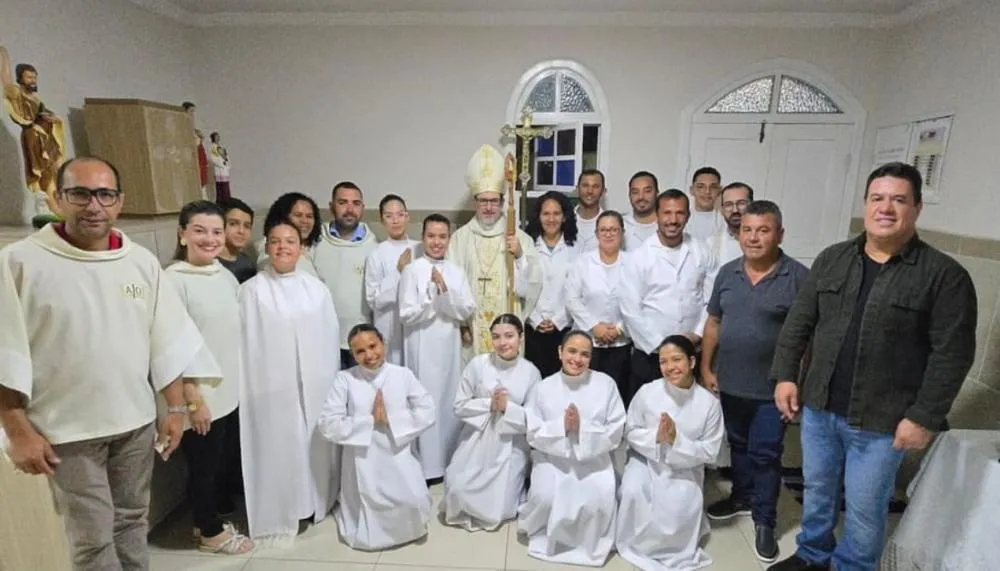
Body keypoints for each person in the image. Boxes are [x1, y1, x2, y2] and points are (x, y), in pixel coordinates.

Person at [768, 162, 978, 571]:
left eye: (899, 199)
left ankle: (853, 566)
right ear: (865, 204)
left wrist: (924, 416)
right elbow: (799, 323)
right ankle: (813, 555)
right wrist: (785, 376)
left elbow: (951, 355)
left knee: (865, 507)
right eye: (877, 198)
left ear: (917, 207)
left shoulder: (944, 276)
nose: (886, 208)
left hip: (884, 419)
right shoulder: (833, 259)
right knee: (818, 490)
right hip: (820, 406)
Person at [0, 157, 204, 570]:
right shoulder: (19, 262)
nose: (93, 205)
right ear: (57, 199)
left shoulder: (139, 261)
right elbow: (6, 350)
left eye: (104, 194)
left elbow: (166, 339)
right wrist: (17, 429)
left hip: (133, 421)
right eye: (79, 193)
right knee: (92, 538)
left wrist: (176, 408)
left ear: (119, 202)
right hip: (66, 429)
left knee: (132, 523)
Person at [700, 201, 808, 563]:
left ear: (779, 234)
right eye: (747, 230)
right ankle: (741, 496)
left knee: (766, 453)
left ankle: (765, 519)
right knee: (738, 445)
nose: (754, 237)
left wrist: (794, 380)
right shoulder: (728, 273)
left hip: (771, 389)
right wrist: (706, 367)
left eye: (763, 230)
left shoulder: (797, 277)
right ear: (739, 233)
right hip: (730, 382)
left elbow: (808, 336)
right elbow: (713, 323)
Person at [239, 218, 341, 543]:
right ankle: (283, 510)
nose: (283, 247)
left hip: (313, 387)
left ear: (301, 248)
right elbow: (245, 347)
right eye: (276, 241)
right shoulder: (250, 292)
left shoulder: (316, 290)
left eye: (290, 241)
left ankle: (316, 502)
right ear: (266, 247)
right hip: (272, 390)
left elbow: (327, 340)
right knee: (281, 448)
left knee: (311, 445)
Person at [166, 200, 253, 555]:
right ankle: (210, 533)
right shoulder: (173, 281)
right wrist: (192, 398)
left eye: (216, 231)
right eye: (200, 230)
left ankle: (208, 520)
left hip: (228, 388)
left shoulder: (222, 274)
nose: (210, 238)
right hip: (199, 394)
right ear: (182, 234)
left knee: (217, 464)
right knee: (202, 468)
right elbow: (171, 346)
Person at [318, 324, 435, 551]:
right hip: (363, 459)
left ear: (383, 343)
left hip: (398, 453)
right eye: (360, 351)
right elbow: (327, 424)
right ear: (352, 354)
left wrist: (391, 419)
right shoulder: (345, 379)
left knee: (412, 500)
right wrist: (369, 421)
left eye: (373, 346)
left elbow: (428, 410)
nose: (369, 355)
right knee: (369, 502)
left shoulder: (402, 374)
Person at [616, 335, 725, 571]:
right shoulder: (647, 392)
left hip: (685, 466)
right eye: (664, 362)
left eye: (677, 359)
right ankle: (636, 544)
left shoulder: (709, 404)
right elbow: (630, 430)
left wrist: (677, 440)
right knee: (632, 490)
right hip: (646, 460)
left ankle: (671, 549)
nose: (670, 367)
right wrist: (656, 437)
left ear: (692, 362)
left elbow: (710, 451)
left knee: (678, 503)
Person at [518, 330, 626, 566]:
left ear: (591, 357)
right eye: (572, 351)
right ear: (560, 352)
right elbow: (533, 432)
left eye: (585, 354)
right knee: (546, 497)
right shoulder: (543, 387)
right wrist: (562, 427)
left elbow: (616, 429)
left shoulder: (605, 384)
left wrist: (582, 429)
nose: (577, 359)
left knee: (597, 498)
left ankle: (588, 543)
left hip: (593, 458)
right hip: (552, 457)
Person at [441, 314, 542, 531]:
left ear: (521, 338)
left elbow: (534, 418)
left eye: (509, 336)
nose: (502, 343)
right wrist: (490, 405)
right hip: (477, 437)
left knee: (501, 506)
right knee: (457, 488)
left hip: (511, 442)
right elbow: (459, 405)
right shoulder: (478, 364)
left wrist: (507, 408)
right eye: (496, 337)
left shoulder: (531, 372)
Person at [620, 189, 719, 403]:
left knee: (688, 413)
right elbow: (630, 310)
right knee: (646, 416)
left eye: (679, 213)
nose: (673, 220)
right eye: (667, 213)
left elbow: (712, 301)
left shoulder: (702, 251)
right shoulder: (638, 257)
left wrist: (697, 334)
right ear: (657, 215)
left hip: (692, 352)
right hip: (649, 356)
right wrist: (663, 346)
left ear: (688, 216)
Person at [400, 214, 477, 481]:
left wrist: (445, 293)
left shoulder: (456, 271)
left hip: (448, 347)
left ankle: (445, 461)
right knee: (423, 399)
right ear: (423, 238)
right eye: (431, 236)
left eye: (442, 236)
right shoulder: (412, 270)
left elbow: (467, 307)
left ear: (449, 239)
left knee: (446, 399)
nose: (436, 242)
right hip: (420, 344)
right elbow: (406, 313)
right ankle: (423, 465)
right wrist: (430, 297)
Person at [449, 144, 543, 362]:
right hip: (473, 326)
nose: (489, 207)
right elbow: (454, 287)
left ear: (502, 202)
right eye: (483, 200)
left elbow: (533, 284)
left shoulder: (520, 239)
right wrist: (462, 323)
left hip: (507, 326)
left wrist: (520, 257)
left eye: (494, 201)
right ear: (475, 202)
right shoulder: (460, 239)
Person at [565, 210, 632, 402]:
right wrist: (595, 327)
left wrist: (619, 329)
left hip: (620, 343)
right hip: (587, 343)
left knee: (615, 397)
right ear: (596, 234)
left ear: (622, 232)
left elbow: (639, 303)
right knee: (584, 396)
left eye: (614, 229)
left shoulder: (634, 263)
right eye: (604, 230)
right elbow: (572, 299)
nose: (609, 234)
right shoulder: (583, 262)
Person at [312, 181, 379, 369]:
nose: (350, 209)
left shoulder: (374, 247)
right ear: (331, 206)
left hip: (361, 343)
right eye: (343, 202)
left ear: (363, 208)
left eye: (356, 203)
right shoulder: (315, 242)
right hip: (322, 338)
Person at [0, 46, 65, 220]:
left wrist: (56, 118)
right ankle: (44, 204)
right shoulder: (17, 93)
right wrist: (4, 56)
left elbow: (45, 113)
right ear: (20, 78)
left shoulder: (36, 98)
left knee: (55, 170)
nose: (33, 80)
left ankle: (55, 206)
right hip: (33, 136)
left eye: (34, 77)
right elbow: (5, 80)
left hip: (46, 135)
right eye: (29, 77)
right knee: (41, 170)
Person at [524, 191, 579, 377]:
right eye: (546, 214)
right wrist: (535, 318)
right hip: (532, 329)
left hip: (564, 329)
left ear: (564, 217)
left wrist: (558, 320)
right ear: (538, 217)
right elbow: (520, 286)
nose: (551, 219)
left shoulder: (577, 250)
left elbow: (579, 292)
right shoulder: (527, 247)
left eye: (556, 214)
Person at [364, 194, 420, 364]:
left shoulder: (420, 248)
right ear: (382, 220)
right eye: (389, 216)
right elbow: (373, 299)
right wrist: (398, 272)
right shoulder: (376, 254)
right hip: (389, 325)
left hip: (416, 325)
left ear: (407, 216)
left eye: (400, 214)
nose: (395, 220)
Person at [255, 192, 322, 276]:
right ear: (282, 217)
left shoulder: (313, 246)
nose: (305, 221)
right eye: (298, 215)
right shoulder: (270, 247)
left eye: (309, 216)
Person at [217, 197, 258, 283]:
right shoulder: (210, 263)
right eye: (233, 224)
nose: (241, 231)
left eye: (247, 226)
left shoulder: (248, 262)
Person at [712, 182, 752, 265]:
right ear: (722, 210)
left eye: (741, 203)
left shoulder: (766, 242)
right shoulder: (711, 245)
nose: (735, 210)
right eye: (728, 204)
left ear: (752, 205)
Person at [686, 167, 726, 242]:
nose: (707, 191)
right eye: (701, 187)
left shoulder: (726, 221)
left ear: (719, 191)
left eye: (713, 187)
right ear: (692, 190)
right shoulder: (682, 220)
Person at [623, 171, 659, 251]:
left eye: (647, 191)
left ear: (657, 193)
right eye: (635, 192)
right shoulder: (620, 224)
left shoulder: (668, 225)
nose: (641, 197)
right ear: (629, 195)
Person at [574, 169, 605, 252]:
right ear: (577, 189)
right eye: (585, 185)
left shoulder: (610, 224)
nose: (590, 191)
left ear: (603, 192)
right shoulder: (563, 220)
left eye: (595, 186)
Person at [182, 102, 209, 197]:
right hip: (192, 159)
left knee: (202, 184)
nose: (193, 114)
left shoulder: (195, 130)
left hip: (199, 158)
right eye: (191, 111)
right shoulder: (182, 129)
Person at [209, 132, 231, 203]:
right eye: (216, 136)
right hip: (219, 170)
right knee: (220, 187)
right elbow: (213, 158)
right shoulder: (213, 148)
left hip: (224, 169)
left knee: (226, 186)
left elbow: (226, 156)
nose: (218, 138)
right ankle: (221, 201)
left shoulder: (221, 147)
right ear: (213, 138)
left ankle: (227, 200)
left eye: (218, 136)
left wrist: (226, 161)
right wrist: (222, 163)